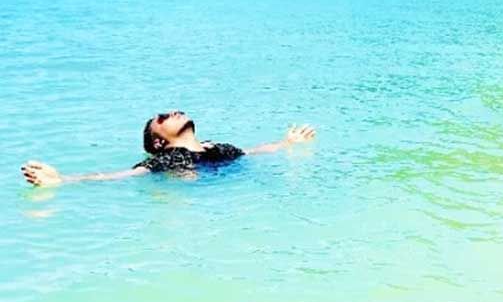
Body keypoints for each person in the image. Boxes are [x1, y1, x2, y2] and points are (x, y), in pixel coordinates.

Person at [21, 110, 315, 187]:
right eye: (161, 118)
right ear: (159, 141)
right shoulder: (169, 159)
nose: (172, 112)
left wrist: (287, 144)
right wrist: (63, 180)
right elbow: (123, 175)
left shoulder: (220, 147)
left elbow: (252, 152)